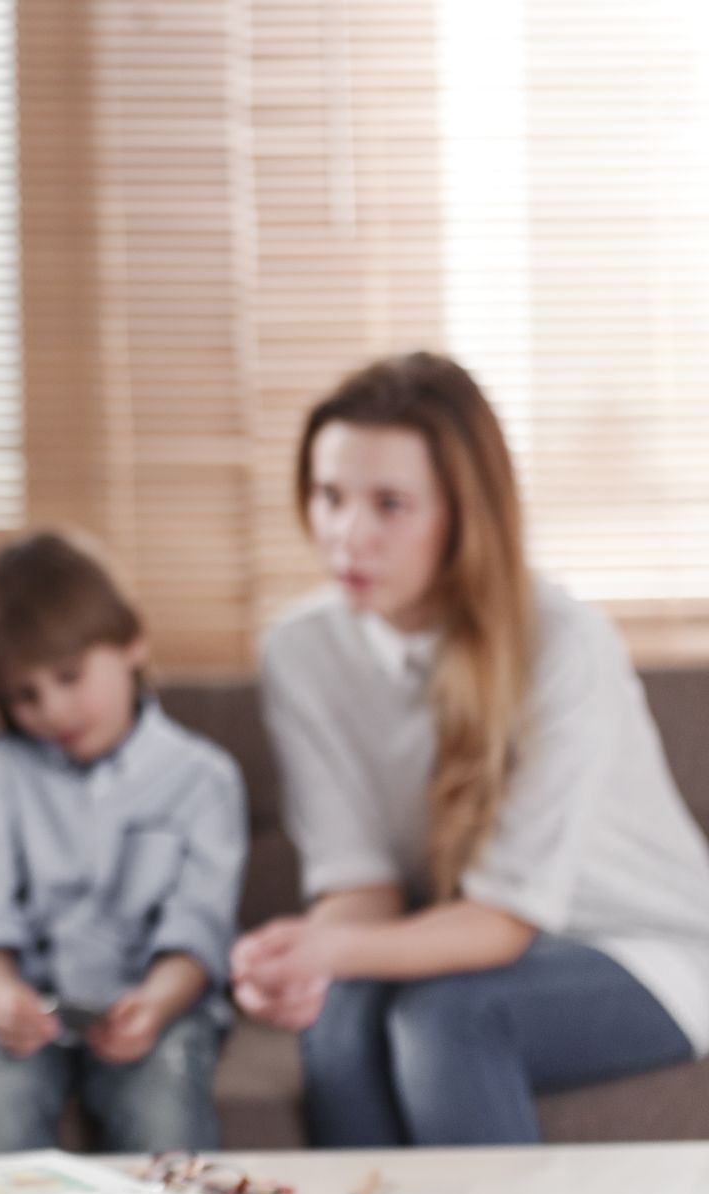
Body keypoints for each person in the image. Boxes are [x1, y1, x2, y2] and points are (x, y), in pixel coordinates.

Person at [233, 351, 709, 1146]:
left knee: (449, 1019)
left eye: (390, 504)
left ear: (462, 514)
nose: (349, 535)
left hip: (643, 950)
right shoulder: (302, 651)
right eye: (329, 496)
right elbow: (362, 883)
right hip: (457, 941)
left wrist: (330, 946)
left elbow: (502, 924)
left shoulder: (563, 644)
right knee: (340, 1021)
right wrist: (301, 960)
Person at [0, 532, 247, 1155]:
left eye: (70, 677)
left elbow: (199, 927)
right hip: (22, 1009)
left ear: (133, 641)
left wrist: (155, 1003)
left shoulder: (202, 779)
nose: (52, 710)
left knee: (165, 1098)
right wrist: (0, 996)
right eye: (25, 695)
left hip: (154, 1002)